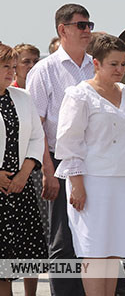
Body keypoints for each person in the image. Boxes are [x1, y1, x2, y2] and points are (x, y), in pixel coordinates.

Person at [54, 34, 125, 296]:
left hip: (124, 183)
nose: (120, 70)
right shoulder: (80, 95)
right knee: (94, 252)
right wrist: (77, 185)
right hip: (92, 183)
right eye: (113, 65)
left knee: (113, 253)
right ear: (96, 63)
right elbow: (69, 143)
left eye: (122, 64)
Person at [27, 3, 95, 296]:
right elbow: (36, 126)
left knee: (93, 237)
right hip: (59, 161)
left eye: (89, 25)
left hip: (97, 162)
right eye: (81, 25)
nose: (87, 31)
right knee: (64, 238)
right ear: (62, 29)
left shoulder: (97, 65)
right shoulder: (45, 70)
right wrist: (48, 171)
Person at [0, 44, 48, 296]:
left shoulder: (23, 97)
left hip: (20, 187)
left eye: (12, 66)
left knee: (20, 256)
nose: (11, 71)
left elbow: (36, 138)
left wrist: (24, 172)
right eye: (5, 66)